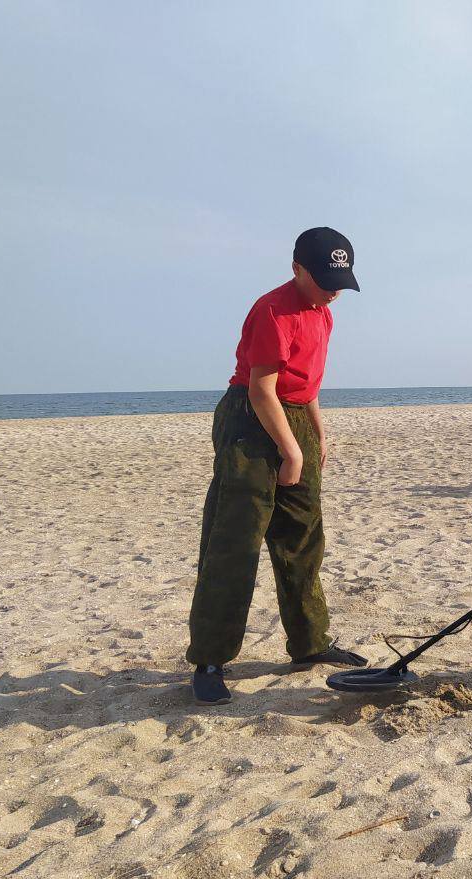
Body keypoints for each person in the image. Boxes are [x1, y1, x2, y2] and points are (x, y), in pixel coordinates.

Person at [187, 228, 369, 704]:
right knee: (235, 542)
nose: (334, 290)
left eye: (341, 280)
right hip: (250, 421)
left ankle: (310, 645)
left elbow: (306, 386)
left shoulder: (324, 314)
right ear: (297, 269)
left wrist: (316, 436)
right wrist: (291, 451)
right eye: (326, 279)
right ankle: (210, 659)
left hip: (294, 418)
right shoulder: (273, 308)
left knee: (303, 538)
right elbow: (260, 390)